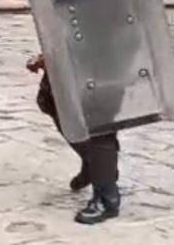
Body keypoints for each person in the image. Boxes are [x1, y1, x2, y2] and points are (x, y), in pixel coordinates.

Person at [27, 51, 121, 225]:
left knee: (98, 116)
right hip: (77, 46)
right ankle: (95, 164)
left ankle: (107, 197)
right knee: (50, 100)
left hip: (104, 52)